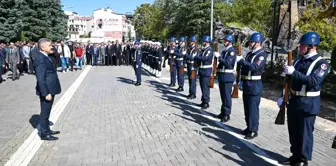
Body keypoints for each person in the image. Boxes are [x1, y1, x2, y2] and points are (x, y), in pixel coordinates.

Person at [278, 32, 330, 166]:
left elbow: (313, 81)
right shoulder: (298, 60)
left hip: (308, 104)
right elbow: (288, 81)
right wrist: (283, 97)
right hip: (294, 100)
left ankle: (303, 160)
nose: (300, 47)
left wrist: (293, 72)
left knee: (305, 134)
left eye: (302, 45)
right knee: (293, 132)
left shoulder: (321, 64)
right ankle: (295, 156)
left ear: (312, 46)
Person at [236, 32, 268, 140]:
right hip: (247, 83)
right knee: (247, 108)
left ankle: (254, 130)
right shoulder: (250, 54)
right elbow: (245, 68)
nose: (250, 43)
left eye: (252, 42)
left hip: (254, 85)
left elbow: (254, 67)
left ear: (258, 43)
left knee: (253, 109)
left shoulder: (261, 55)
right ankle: (249, 127)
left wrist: (242, 61)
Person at [33, 38, 61, 141]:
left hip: (50, 88)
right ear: (42, 47)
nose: (51, 47)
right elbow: (40, 78)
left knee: (47, 111)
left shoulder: (46, 56)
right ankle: (44, 134)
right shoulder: (40, 58)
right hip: (47, 90)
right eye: (49, 45)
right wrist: (45, 93)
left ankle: (47, 129)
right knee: (44, 112)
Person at [214, 34, 237, 122]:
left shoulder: (232, 51)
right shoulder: (224, 51)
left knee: (227, 96)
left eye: (226, 41)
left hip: (228, 76)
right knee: (223, 95)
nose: (224, 42)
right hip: (222, 75)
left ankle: (227, 114)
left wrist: (219, 57)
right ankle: (223, 112)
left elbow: (228, 63)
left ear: (230, 42)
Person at [194, 35, 214, 109]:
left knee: (205, 87)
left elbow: (205, 58)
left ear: (208, 42)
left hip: (206, 71)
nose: (203, 42)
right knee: (202, 86)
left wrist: (196, 57)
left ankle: (206, 102)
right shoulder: (204, 50)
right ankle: (203, 100)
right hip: (202, 70)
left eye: (204, 41)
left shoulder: (209, 50)